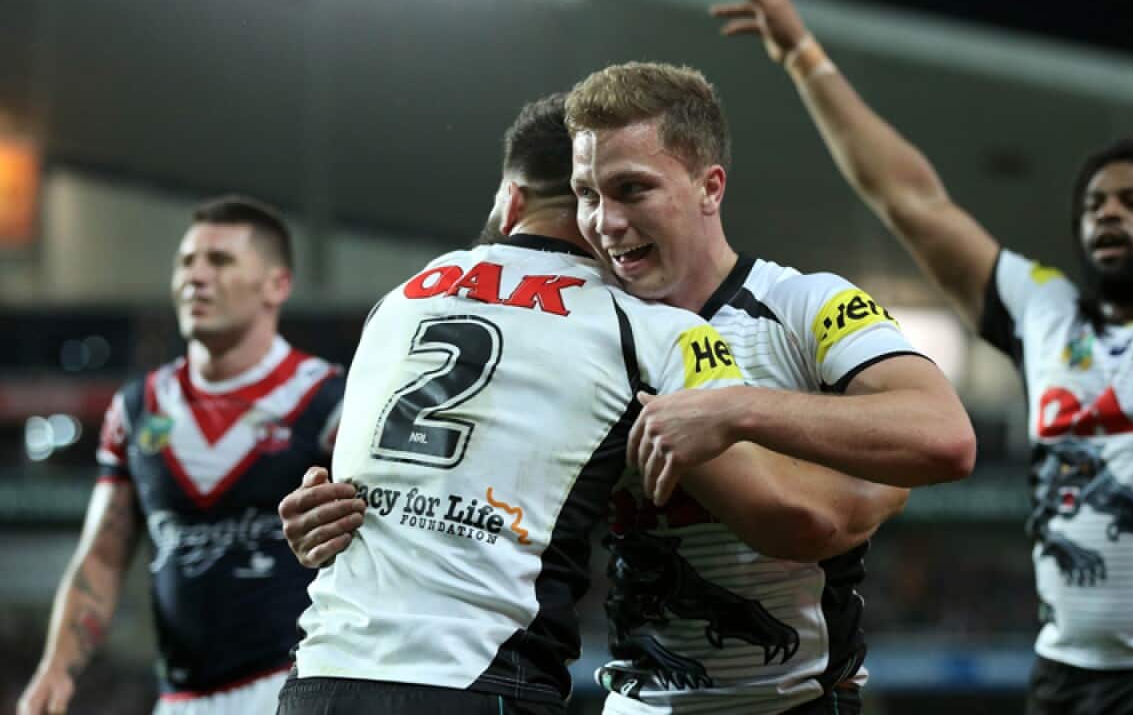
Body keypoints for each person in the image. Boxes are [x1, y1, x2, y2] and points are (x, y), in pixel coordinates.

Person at [711, 0, 1133, 712]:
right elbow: (911, 200)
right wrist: (803, 57)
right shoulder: (1047, 311)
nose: (1106, 212)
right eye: (1095, 204)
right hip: (1063, 673)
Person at [276, 93, 905, 715]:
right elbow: (798, 520)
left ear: (512, 199)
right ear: (586, 208)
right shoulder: (644, 328)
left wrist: (315, 510)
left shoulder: (400, 302)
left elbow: (356, 494)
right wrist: (892, 470)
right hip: (482, 677)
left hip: (319, 672)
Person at [561, 59, 975, 714]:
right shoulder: (584, 329)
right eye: (587, 194)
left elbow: (946, 436)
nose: (605, 223)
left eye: (632, 189)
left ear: (709, 187)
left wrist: (738, 408)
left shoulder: (805, 304)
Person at [18, 196, 346, 715]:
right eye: (186, 261)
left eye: (219, 261)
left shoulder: (329, 401)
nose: (195, 276)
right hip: (177, 700)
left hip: (294, 688)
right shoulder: (137, 408)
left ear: (276, 286)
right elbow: (102, 555)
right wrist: (55, 668)